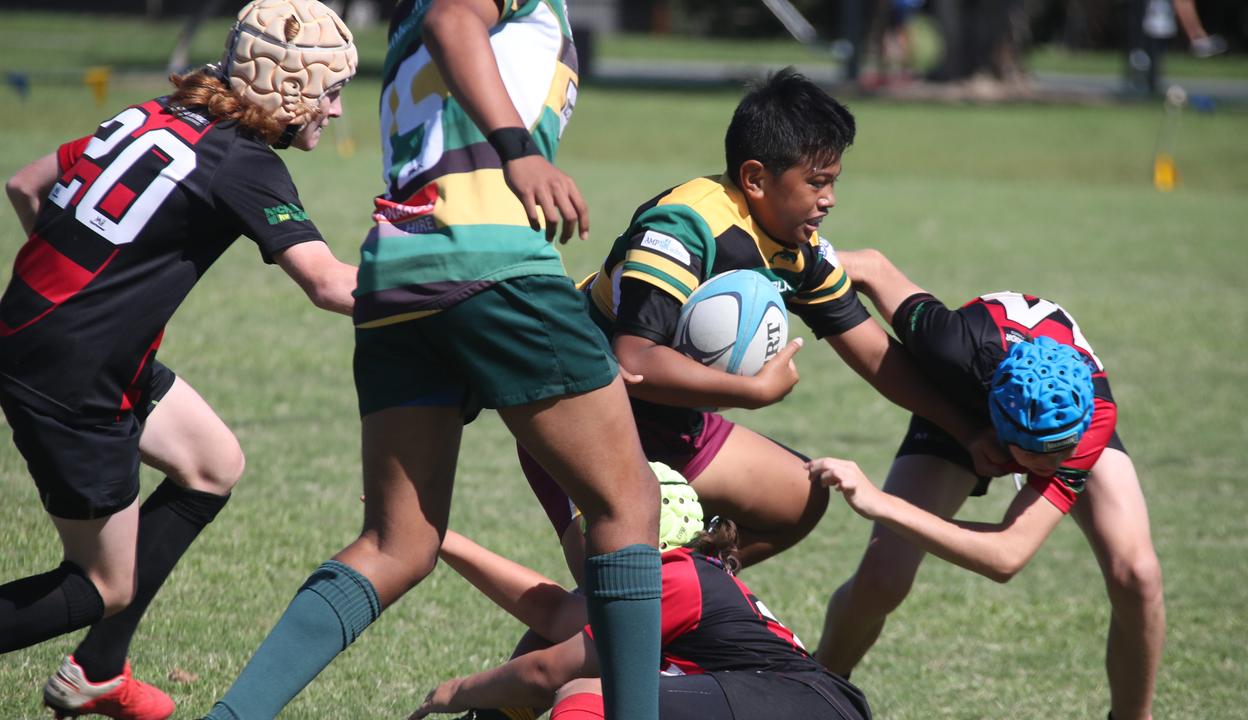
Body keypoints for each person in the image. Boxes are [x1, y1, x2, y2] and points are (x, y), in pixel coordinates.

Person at [199, 1, 663, 719]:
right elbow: (455, 18)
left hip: (398, 272)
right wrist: (520, 150)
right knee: (627, 502)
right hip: (492, 259)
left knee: (398, 545)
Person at [0, 1, 359, 718]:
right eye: (330, 91)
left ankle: (97, 670)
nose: (338, 110)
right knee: (102, 585)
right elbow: (328, 284)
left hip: (57, 340)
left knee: (212, 463)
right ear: (288, 89)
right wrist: (456, 287)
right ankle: (97, 641)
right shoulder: (245, 161)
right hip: (74, 374)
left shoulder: (160, 112)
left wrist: (92, 292)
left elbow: (26, 184)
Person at [520, 68, 1005, 583]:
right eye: (816, 182)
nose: (829, 199)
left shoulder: (799, 250)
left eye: (834, 181)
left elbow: (872, 352)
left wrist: (967, 430)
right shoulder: (685, 226)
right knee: (614, 581)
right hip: (580, 407)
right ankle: (607, 623)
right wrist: (751, 392)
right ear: (754, 179)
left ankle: (689, 591)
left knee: (797, 497)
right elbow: (634, 359)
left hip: (666, 416)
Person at [810, 249, 1164, 720]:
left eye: (1059, 453)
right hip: (972, 397)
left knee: (1138, 575)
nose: (1048, 466)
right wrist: (775, 259)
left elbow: (1006, 555)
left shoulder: (1087, 416)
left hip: (1052, 403)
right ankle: (817, 693)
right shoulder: (949, 345)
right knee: (882, 580)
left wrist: (878, 502)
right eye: (1036, 458)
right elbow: (870, 268)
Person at [408, 465, 872, 720]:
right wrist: (439, 535)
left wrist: (455, 692)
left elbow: (549, 671)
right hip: (796, 702)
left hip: (804, 704)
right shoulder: (688, 572)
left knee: (587, 687)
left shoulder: (675, 578)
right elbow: (554, 615)